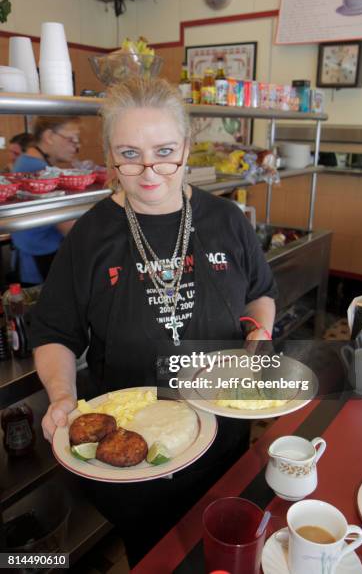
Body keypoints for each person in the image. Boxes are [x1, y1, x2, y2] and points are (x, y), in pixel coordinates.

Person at [31, 77, 277, 567]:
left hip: (224, 437)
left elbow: (260, 293)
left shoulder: (227, 220)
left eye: (164, 150)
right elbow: (54, 335)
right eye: (129, 153)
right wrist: (61, 396)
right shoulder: (91, 237)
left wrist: (258, 337)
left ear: (186, 147)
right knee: (156, 558)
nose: (149, 172)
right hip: (133, 453)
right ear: (109, 156)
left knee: (224, 552)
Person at [11, 116, 80, 285]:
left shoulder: (27, 162)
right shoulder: (38, 170)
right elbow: (70, 229)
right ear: (49, 136)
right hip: (39, 261)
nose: (77, 146)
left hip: (34, 255)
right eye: (72, 139)